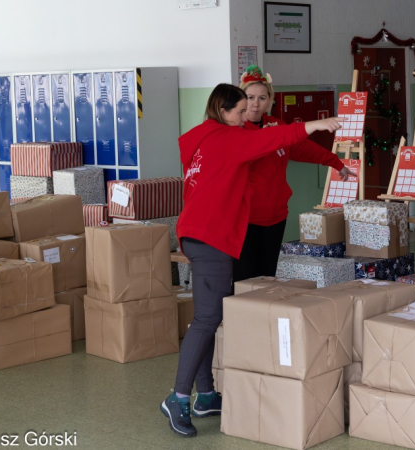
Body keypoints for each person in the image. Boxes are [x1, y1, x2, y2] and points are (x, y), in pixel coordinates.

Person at [160, 83, 345, 437]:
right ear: (224, 110)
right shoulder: (227, 138)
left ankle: (206, 395)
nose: (248, 116)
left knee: (207, 315)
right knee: (207, 318)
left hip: (199, 233)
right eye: (242, 110)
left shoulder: (202, 138)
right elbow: (270, 141)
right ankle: (179, 397)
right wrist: (313, 125)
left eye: (252, 108)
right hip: (211, 236)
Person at [233, 65, 355, 283]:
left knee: (267, 276)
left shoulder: (278, 127)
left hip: (275, 217)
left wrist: (337, 163)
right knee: (243, 278)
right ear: (241, 99)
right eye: (250, 97)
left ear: (269, 100)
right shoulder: (235, 132)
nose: (255, 104)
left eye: (262, 98)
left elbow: (305, 148)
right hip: (245, 218)